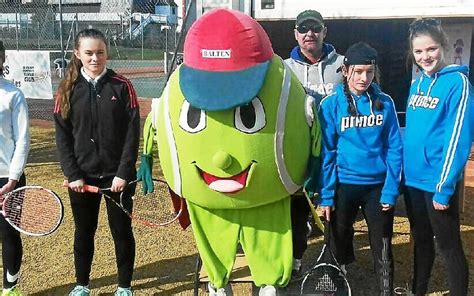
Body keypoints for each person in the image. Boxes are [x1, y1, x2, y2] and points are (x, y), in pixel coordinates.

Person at [54, 28, 140, 296]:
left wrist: (123, 173)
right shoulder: (67, 89)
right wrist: (73, 173)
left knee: (121, 232)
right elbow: (62, 137)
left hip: (118, 177)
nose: (94, 58)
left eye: (99, 53)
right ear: (78, 54)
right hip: (82, 178)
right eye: (89, 53)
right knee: (83, 232)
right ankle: (82, 285)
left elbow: (132, 134)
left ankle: (124, 287)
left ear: (107, 53)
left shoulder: (122, 86)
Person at [318, 42, 402, 295]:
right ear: (345, 70)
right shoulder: (330, 104)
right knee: (339, 235)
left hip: (376, 188)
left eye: (369, 72)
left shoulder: (384, 102)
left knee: (383, 242)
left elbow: (395, 149)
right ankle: (339, 276)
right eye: (358, 72)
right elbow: (327, 153)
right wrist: (326, 195)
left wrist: (390, 191)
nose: (364, 78)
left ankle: (385, 288)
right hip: (344, 185)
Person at [403, 18, 472, 296]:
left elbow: (458, 138)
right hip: (413, 181)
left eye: (430, 49)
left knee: (449, 245)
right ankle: (417, 290)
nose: (425, 57)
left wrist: (444, 188)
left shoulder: (457, 83)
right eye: (418, 52)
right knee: (420, 241)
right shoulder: (417, 84)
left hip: (437, 183)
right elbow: (415, 133)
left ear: (442, 46)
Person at [284, 9, 344, 274]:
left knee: (337, 208)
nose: (310, 34)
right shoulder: (284, 69)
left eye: (316, 28)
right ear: (296, 34)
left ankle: (337, 260)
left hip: (335, 151)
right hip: (299, 151)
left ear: (324, 32)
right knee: (297, 208)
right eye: (304, 29)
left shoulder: (343, 64)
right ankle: (295, 258)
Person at [0, 40, 30, 296]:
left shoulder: (13, 95)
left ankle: (10, 288)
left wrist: (13, 177)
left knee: (8, 234)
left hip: (7, 179)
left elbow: (22, 139)